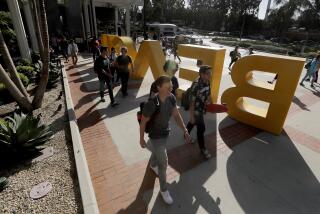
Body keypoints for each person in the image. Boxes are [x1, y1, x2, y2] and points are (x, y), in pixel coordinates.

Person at [139, 75, 191, 205]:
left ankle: (153, 164)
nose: (171, 90)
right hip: (155, 136)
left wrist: (184, 129)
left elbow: (176, 115)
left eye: (171, 87)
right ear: (158, 87)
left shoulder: (171, 98)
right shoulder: (152, 104)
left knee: (157, 153)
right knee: (164, 163)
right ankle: (164, 190)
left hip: (165, 132)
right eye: (167, 88)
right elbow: (143, 122)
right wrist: (141, 139)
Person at [186, 65, 212, 159]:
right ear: (201, 74)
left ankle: (186, 133)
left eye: (210, 73)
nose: (210, 75)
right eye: (208, 73)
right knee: (201, 129)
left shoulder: (207, 81)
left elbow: (208, 94)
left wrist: (209, 102)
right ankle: (203, 149)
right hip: (196, 110)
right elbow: (191, 101)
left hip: (202, 108)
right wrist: (191, 115)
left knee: (193, 123)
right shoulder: (196, 85)